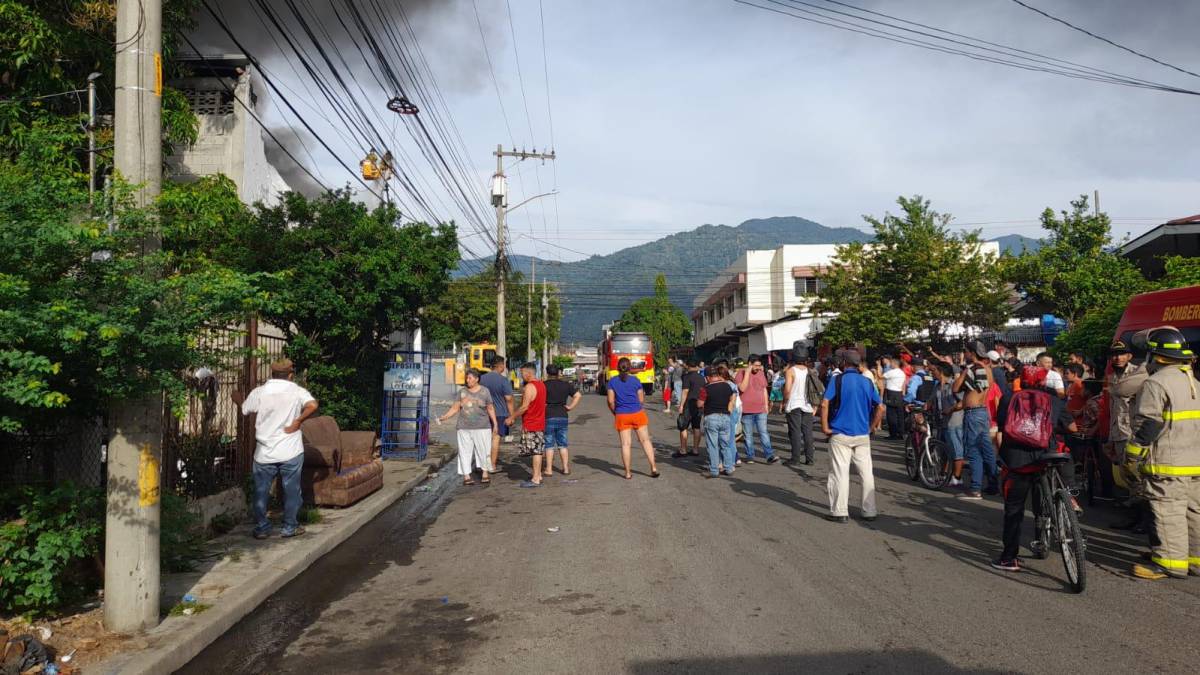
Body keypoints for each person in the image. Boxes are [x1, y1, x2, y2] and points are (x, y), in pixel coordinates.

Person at [1126, 327, 1200, 580]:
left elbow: (1149, 425)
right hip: (1195, 462)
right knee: (1194, 512)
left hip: (1169, 462)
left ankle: (1170, 562)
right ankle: (1195, 560)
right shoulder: (1194, 382)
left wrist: (1133, 454)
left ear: (1155, 356)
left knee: (1169, 510)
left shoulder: (1156, 383)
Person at [991, 366, 1077, 571]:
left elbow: (1002, 427)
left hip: (1017, 460)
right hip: (1046, 457)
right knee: (1046, 495)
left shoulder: (1009, 398)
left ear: (1022, 379)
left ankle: (1009, 558)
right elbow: (1072, 428)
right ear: (1044, 380)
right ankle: (1068, 502)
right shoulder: (1055, 400)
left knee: (1014, 510)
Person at [234, 359, 319, 540]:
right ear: (290, 375)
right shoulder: (297, 391)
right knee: (291, 490)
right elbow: (313, 405)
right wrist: (298, 421)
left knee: (260, 491)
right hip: (291, 451)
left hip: (264, 453)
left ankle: (262, 528)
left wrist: (237, 398)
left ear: (271, 375)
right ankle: (289, 527)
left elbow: (245, 410)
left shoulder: (260, 392)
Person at [820, 350, 884, 523]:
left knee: (840, 473)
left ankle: (840, 512)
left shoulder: (837, 380)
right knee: (866, 473)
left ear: (844, 363)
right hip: (862, 434)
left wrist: (825, 427)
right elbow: (880, 407)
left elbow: (825, 403)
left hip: (840, 432)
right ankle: (869, 510)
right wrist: (871, 427)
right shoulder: (867, 382)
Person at [1106, 338, 1150, 529]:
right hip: (1118, 433)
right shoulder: (1111, 376)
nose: (1117, 358)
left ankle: (1144, 522)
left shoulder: (1139, 373)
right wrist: (1109, 438)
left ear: (1129, 356)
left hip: (1133, 433)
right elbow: (1113, 409)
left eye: (1121, 354)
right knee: (1128, 478)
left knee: (1137, 478)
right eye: (1114, 355)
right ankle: (1136, 518)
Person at [436, 368, 497, 486]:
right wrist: (445, 417)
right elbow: (455, 408)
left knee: (484, 450)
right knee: (465, 452)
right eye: (467, 378)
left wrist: (495, 423)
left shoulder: (485, 391)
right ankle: (466, 476)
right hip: (464, 427)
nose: (467, 380)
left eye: (470, 378)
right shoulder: (462, 392)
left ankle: (485, 473)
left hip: (482, 427)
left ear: (477, 379)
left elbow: (490, 408)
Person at [953, 342, 998, 500]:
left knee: (973, 451)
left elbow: (955, 388)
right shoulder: (987, 369)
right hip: (982, 412)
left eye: (965, 351)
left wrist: (964, 372)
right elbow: (988, 386)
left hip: (973, 413)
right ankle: (993, 485)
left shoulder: (973, 369)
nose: (964, 354)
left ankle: (975, 489)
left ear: (972, 353)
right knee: (987, 450)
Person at [606, 357, 661, 480]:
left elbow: (610, 401)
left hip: (621, 415)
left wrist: (615, 412)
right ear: (630, 367)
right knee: (645, 441)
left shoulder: (612, 382)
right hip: (637, 413)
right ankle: (653, 467)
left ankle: (627, 473)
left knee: (625, 444)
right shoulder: (635, 380)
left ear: (617, 367)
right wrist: (636, 407)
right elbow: (641, 399)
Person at [506, 362, 547, 488]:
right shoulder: (541, 385)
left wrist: (512, 417)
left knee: (535, 451)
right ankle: (538, 475)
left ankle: (535, 479)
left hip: (532, 423)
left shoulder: (530, 387)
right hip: (539, 421)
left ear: (528, 373)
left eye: (522, 373)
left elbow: (524, 406)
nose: (521, 375)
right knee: (538, 451)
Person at [736, 355, 778, 464]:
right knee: (748, 435)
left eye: (760, 366)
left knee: (764, 432)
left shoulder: (760, 373)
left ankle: (769, 455)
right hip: (746, 410)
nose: (758, 368)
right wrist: (747, 373)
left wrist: (766, 405)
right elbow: (742, 388)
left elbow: (764, 389)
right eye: (756, 365)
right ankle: (750, 455)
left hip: (760, 409)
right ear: (749, 364)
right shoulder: (740, 373)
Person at [784, 354, 825, 466]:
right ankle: (809, 458)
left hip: (794, 404)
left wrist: (784, 401)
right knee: (808, 432)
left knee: (795, 432)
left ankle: (795, 458)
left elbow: (787, 390)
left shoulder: (791, 371)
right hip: (808, 405)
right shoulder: (810, 371)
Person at [543, 364, 581, 477]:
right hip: (562, 415)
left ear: (547, 373)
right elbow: (578, 395)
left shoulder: (543, 385)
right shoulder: (566, 384)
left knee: (549, 444)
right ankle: (565, 468)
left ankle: (549, 469)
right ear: (558, 372)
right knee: (562, 444)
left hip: (548, 415)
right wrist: (570, 407)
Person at [702, 364, 737, 478]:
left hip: (711, 417)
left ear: (707, 377)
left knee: (713, 445)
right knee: (725, 444)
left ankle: (714, 470)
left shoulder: (705, 388)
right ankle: (728, 468)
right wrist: (729, 408)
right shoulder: (727, 386)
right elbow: (732, 398)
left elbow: (700, 403)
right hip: (725, 417)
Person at [934, 361, 966, 487]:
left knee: (957, 451)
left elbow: (962, 402)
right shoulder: (937, 386)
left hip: (954, 422)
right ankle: (944, 474)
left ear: (941, 372)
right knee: (943, 451)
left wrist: (950, 409)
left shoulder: (954, 385)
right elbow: (932, 400)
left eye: (934, 370)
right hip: (942, 423)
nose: (932, 373)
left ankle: (957, 477)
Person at [481, 356, 515, 472]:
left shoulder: (482, 379)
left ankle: (482, 465)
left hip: (483, 413)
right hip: (500, 414)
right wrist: (512, 415)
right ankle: (492, 465)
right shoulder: (503, 380)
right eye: (504, 365)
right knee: (495, 439)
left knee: (484, 439)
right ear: (500, 366)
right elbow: (509, 398)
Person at [674, 360, 706, 458]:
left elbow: (685, 391)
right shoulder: (702, 378)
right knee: (696, 427)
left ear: (687, 366)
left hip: (688, 404)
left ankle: (683, 450)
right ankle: (695, 449)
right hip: (699, 404)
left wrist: (681, 405)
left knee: (683, 426)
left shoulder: (687, 377)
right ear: (696, 366)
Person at [878, 356, 907, 439]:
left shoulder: (892, 372)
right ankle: (901, 433)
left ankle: (893, 434)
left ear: (894, 364)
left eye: (891, 363)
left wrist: (878, 366)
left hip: (891, 393)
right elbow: (904, 384)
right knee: (900, 415)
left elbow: (880, 376)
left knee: (891, 415)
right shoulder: (902, 373)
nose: (890, 364)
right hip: (899, 394)